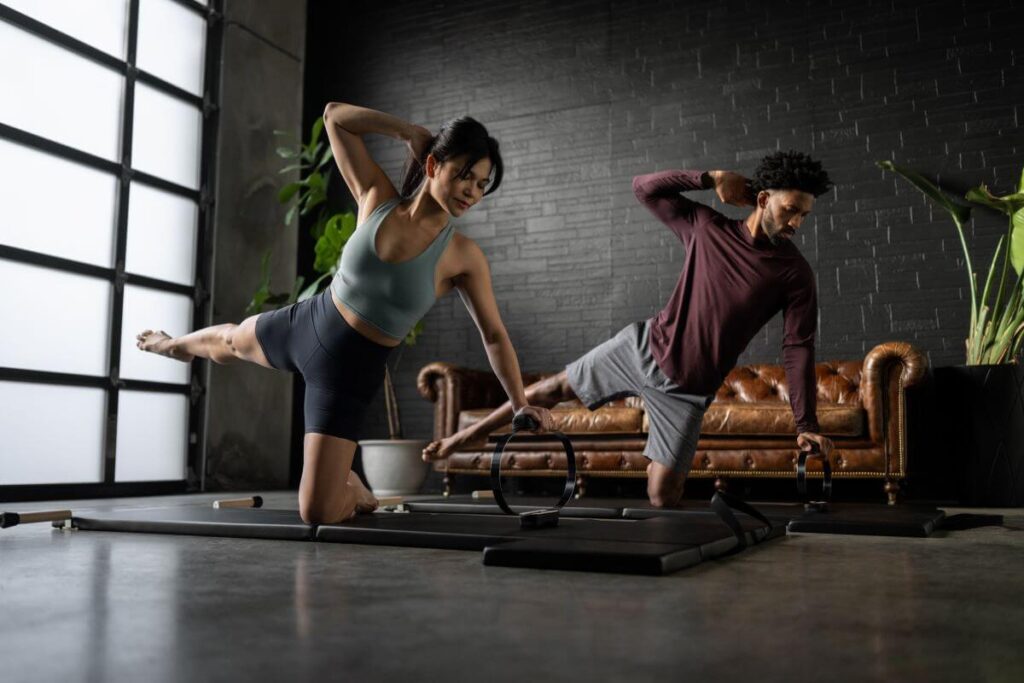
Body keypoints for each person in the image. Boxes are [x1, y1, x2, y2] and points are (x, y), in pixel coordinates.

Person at [137, 103, 554, 524]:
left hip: (348, 375)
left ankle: (352, 487)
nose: (472, 192)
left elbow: (494, 335)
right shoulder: (375, 197)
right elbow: (334, 116)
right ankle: (175, 346)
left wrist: (519, 402)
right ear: (433, 164)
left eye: (482, 184)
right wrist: (407, 131)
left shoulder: (463, 257)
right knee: (228, 341)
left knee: (316, 511)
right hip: (309, 323)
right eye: (465, 175)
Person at [423, 150, 835, 508]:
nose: (797, 222)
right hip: (641, 348)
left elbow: (798, 348)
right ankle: (463, 439)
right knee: (548, 391)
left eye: (804, 214)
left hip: (688, 391)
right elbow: (644, 188)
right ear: (763, 199)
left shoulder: (795, 275)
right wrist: (709, 178)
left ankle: (656, 441)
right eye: (790, 210)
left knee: (662, 497)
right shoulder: (707, 228)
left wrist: (807, 427)